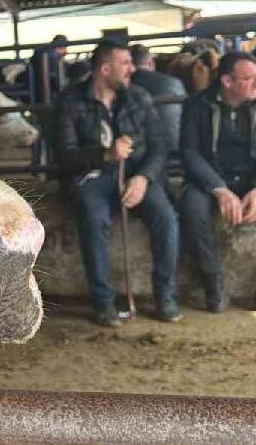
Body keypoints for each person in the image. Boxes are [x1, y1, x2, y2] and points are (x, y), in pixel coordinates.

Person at [55, 40, 180, 326]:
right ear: (105, 68)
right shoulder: (70, 102)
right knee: (92, 215)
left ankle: (165, 295)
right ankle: (103, 302)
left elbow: (160, 146)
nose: (132, 69)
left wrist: (143, 178)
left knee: (166, 218)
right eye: (125, 63)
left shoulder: (138, 97)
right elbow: (65, 157)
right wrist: (105, 154)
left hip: (137, 175)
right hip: (93, 178)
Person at [179, 51, 256, 312]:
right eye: (250, 79)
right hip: (214, 176)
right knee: (191, 210)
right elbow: (189, 152)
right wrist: (219, 189)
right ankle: (212, 281)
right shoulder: (197, 104)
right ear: (227, 82)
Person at [130, 44, 186, 152]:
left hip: (138, 155)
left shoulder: (125, 85)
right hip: (175, 149)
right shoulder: (174, 82)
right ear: (151, 63)